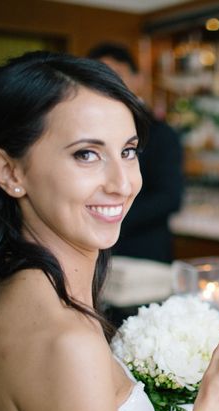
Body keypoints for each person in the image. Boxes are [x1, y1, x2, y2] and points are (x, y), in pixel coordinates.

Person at [0, 51, 219, 411]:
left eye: (128, 151)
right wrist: (217, 403)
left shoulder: (21, 292)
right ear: (9, 171)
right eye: (86, 155)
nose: (122, 183)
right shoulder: (65, 341)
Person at [88, 42, 184, 264]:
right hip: (94, 255)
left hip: (143, 256)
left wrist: (107, 215)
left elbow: (170, 197)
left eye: (115, 74)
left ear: (138, 79)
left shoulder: (161, 133)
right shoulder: (86, 131)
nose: (106, 84)